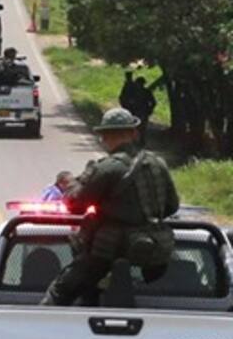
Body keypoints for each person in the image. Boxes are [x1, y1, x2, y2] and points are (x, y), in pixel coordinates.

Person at [41, 109, 180, 306]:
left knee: (60, 291)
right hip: (155, 252)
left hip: (105, 252)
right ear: (134, 133)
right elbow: (172, 206)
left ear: (104, 136)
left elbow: (74, 204)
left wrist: (76, 182)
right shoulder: (158, 164)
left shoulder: (106, 168)